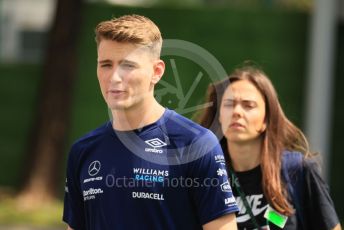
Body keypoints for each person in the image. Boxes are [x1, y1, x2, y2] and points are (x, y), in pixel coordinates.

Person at [63, 14, 239, 230]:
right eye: (106, 65)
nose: (114, 77)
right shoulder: (83, 150)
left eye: (128, 65)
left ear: (156, 72)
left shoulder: (197, 144)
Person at [198, 64, 341, 230]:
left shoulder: (298, 170)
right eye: (229, 104)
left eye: (248, 105)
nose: (237, 111)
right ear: (219, 116)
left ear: (266, 119)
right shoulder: (204, 174)